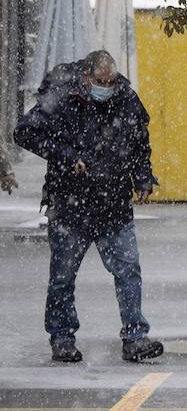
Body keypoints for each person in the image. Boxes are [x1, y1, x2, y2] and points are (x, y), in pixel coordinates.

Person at [13, 50, 162, 364]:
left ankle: (135, 337)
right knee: (63, 276)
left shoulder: (126, 99)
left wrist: (143, 177)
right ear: (86, 77)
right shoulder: (62, 98)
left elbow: (139, 143)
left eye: (110, 81)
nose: (105, 87)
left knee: (128, 271)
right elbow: (24, 132)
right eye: (100, 82)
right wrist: (69, 158)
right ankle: (62, 337)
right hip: (70, 204)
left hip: (113, 204)